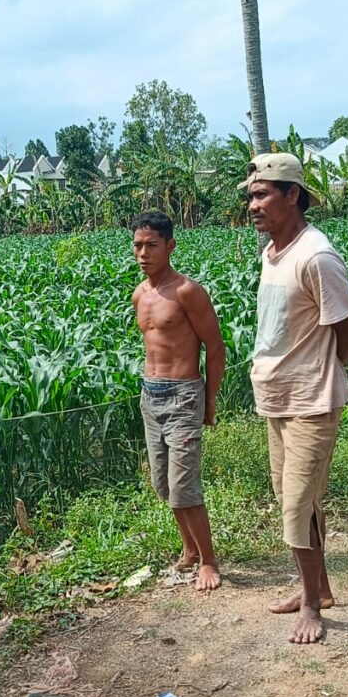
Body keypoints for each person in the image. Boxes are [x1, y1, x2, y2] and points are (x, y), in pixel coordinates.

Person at [241, 154, 348, 643]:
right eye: (250, 195)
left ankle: (312, 607)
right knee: (298, 502)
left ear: (293, 195)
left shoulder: (316, 256)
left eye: (262, 194)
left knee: (295, 506)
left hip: (311, 401)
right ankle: (321, 587)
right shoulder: (273, 252)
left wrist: (320, 372)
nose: (253, 205)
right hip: (277, 397)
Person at [132, 211, 225, 591]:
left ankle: (209, 560)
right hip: (150, 394)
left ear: (170, 246)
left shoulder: (187, 291)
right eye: (138, 245)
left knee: (185, 484)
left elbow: (215, 346)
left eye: (152, 245)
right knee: (164, 484)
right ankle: (188, 550)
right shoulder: (140, 293)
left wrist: (209, 398)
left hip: (183, 395)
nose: (143, 253)